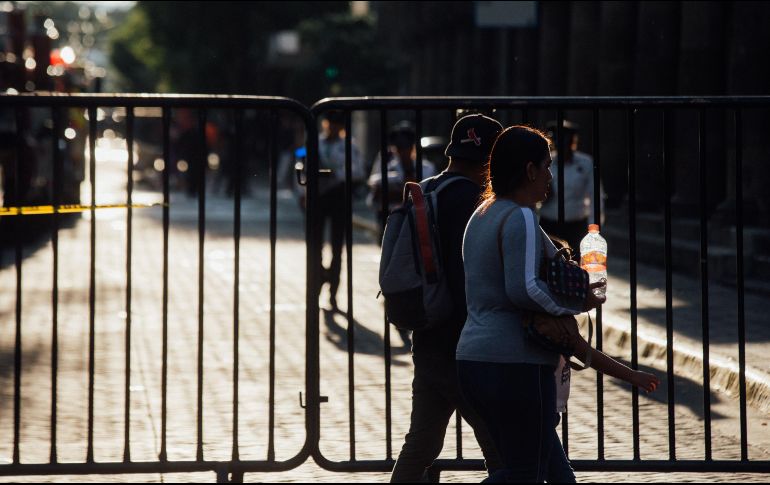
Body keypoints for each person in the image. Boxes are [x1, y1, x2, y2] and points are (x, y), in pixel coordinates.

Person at [457, 126, 659, 482]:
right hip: (513, 364)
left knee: (555, 472)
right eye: (546, 166)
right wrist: (567, 310)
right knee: (524, 473)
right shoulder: (519, 215)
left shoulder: (482, 213)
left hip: (474, 359)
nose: (551, 176)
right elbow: (523, 289)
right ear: (530, 171)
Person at [390, 115, 504, 482]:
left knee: (422, 443)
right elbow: (465, 277)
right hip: (462, 343)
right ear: (489, 161)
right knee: (501, 444)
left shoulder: (427, 189)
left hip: (429, 337)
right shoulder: (469, 200)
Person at [311, 110, 364, 311]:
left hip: (339, 195)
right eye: (329, 123)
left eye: (336, 124)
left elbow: (358, 171)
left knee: (337, 246)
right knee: (315, 246)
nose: (332, 127)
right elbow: (301, 164)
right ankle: (318, 280)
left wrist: (338, 174)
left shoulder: (349, 147)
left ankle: (333, 289)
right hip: (319, 196)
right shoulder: (316, 142)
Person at [538, 120, 605, 260]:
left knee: (574, 267)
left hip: (576, 226)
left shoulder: (585, 163)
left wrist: (594, 229)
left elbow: (595, 196)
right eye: (557, 138)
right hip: (549, 224)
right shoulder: (546, 162)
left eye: (566, 139)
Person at [367, 121, 437, 241]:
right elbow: (374, 188)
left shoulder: (426, 167)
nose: (403, 152)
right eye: (399, 148)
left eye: (407, 147)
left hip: (416, 217)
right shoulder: (387, 166)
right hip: (390, 214)